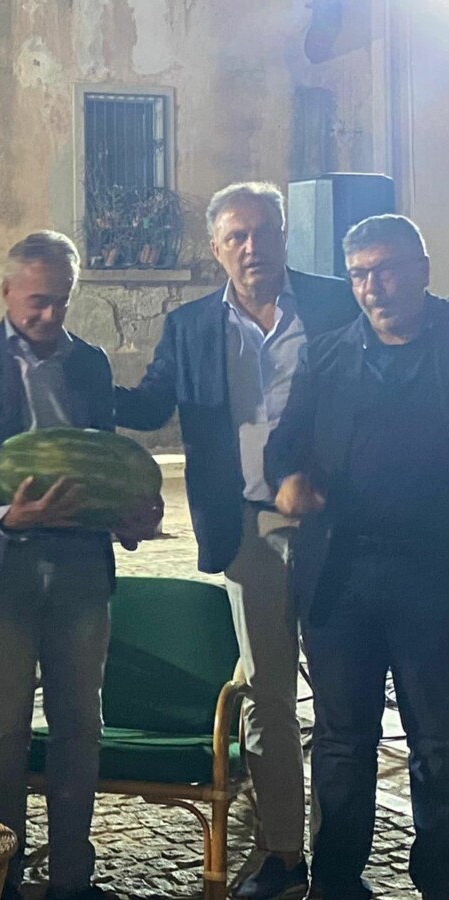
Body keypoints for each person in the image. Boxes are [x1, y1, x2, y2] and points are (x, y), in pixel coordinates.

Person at [115, 182, 358, 899]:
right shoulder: (190, 326)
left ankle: (341, 863)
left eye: (265, 231)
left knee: (343, 702)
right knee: (268, 698)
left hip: (337, 528)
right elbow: (150, 405)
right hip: (246, 528)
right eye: (237, 237)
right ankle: (284, 852)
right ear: (216, 248)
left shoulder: (337, 304)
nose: (253, 248)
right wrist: (73, 374)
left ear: (284, 234)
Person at [0, 231, 159, 900]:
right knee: (4, 731)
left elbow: (101, 461)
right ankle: (2, 879)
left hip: (80, 568)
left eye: (62, 300)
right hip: (0, 567)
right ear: (6, 292)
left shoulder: (89, 363)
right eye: (37, 301)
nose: (50, 314)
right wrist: (9, 513)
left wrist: (126, 517)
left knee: (79, 727)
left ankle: (71, 879)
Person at [266, 215, 449, 900]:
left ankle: (440, 878)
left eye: (388, 269)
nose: (375, 287)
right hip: (341, 578)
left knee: (440, 743)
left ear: (422, 270)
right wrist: (288, 479)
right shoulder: (328, 354)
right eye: (360, 275)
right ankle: (338, 882)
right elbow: (286, 443)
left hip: (435, 575)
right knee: (342, 742)